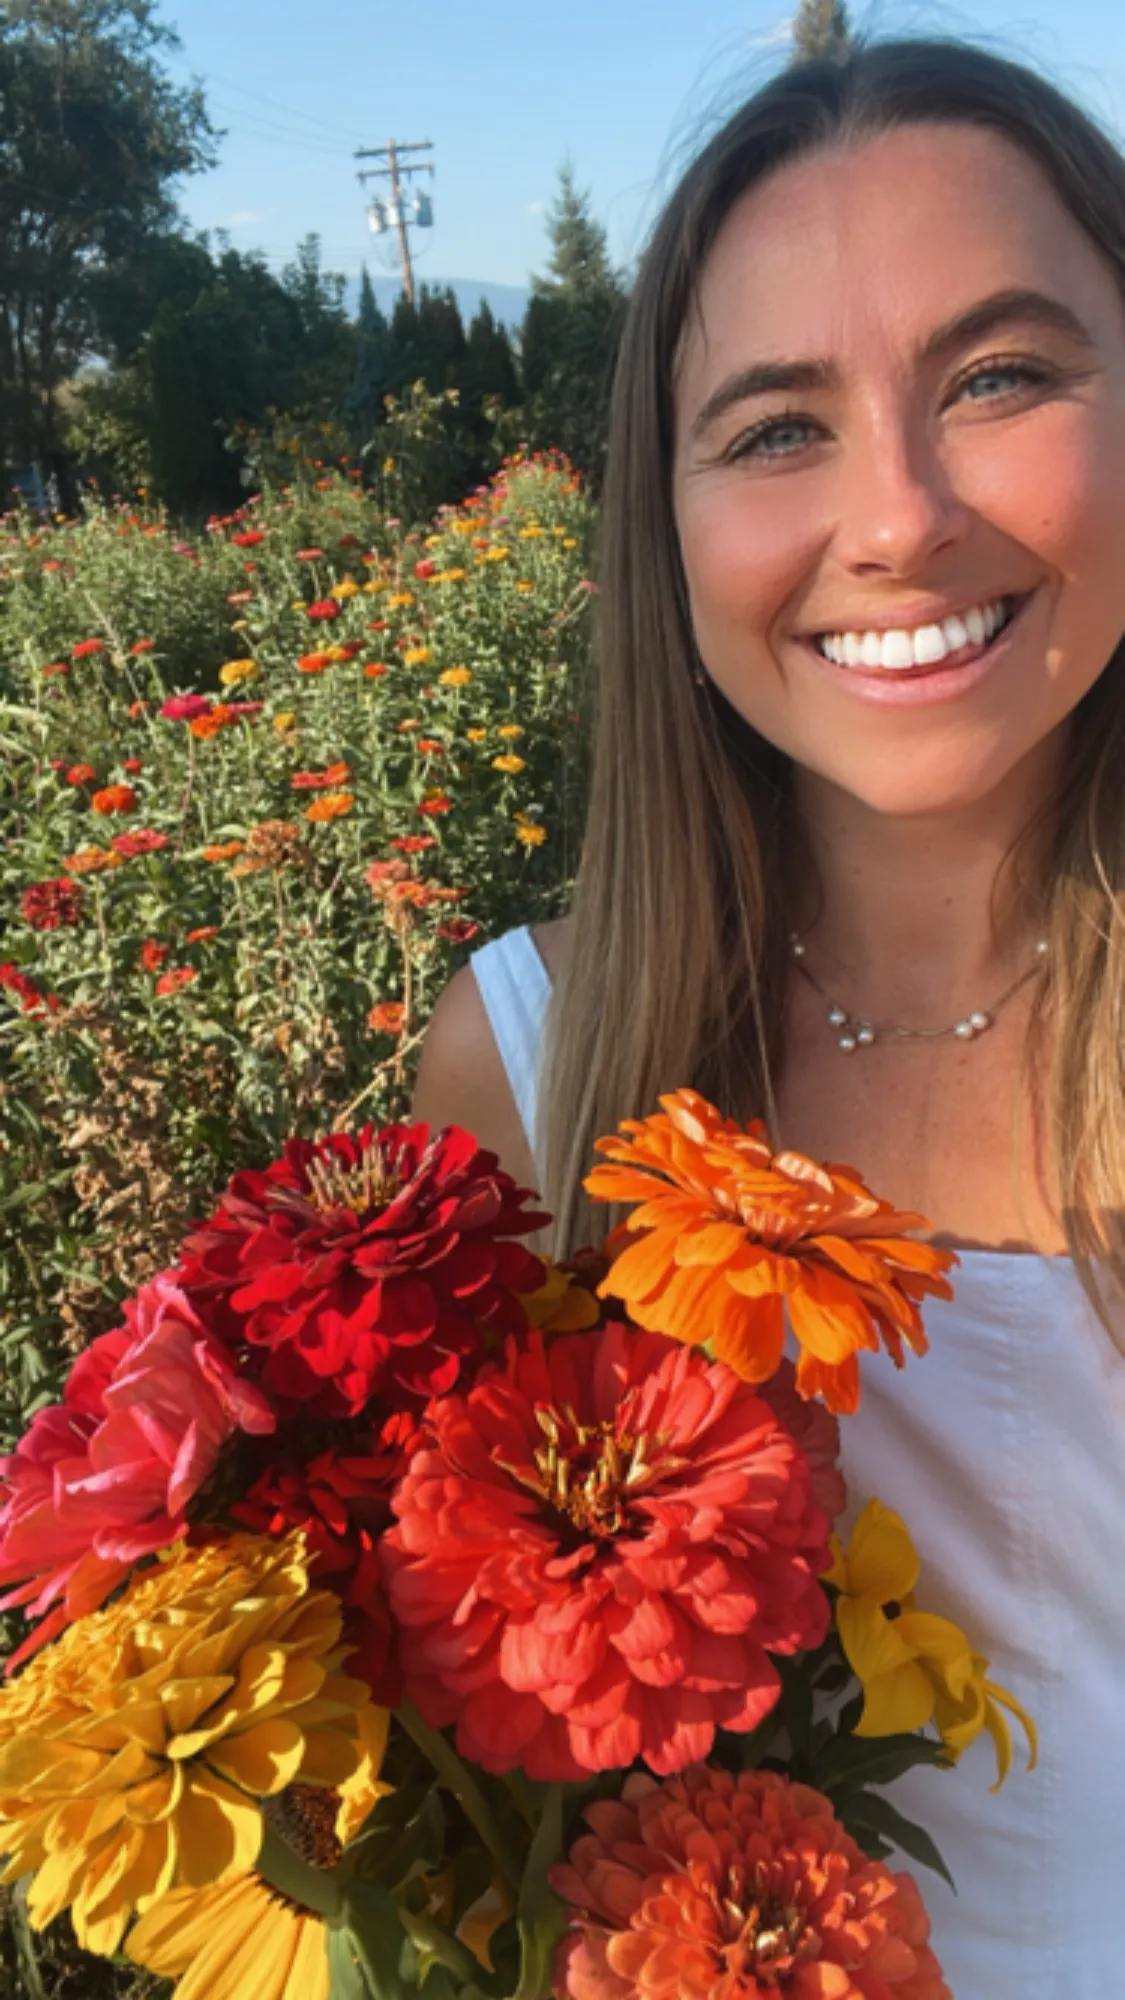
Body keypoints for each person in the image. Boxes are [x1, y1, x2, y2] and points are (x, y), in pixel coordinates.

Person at [413, 38, 1125, 1993]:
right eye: (775, 426)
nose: (895, 519)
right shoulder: (530, 1066)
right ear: (670, 521)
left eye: (998, 376)